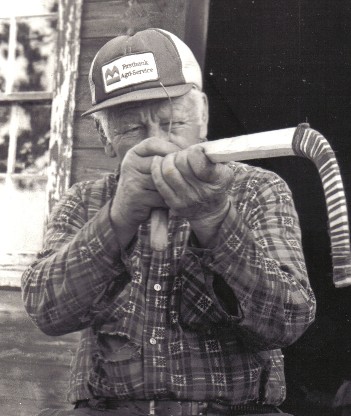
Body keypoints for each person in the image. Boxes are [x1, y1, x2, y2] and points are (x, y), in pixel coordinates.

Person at [22, 28, 316, 416]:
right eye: (133, 128)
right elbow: (47, 311)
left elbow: (289, 320)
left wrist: (215, 219)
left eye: (174, 123)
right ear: (104, 136)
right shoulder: (84, 199)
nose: (157, 144)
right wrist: (118, 218)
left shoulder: (257, 189)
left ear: (203, 115)